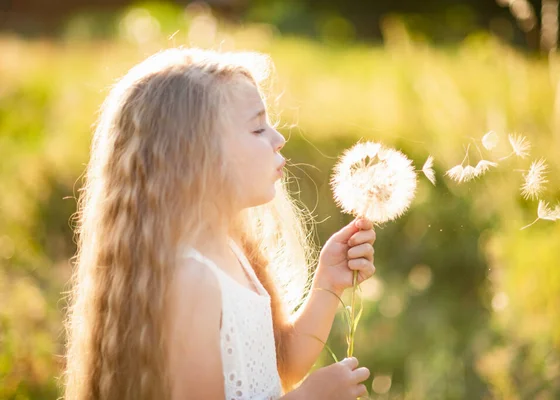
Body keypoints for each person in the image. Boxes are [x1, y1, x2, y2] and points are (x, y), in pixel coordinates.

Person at [63, 47, 377, 400]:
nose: (278, 139)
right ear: (198, 157)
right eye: (258, 128)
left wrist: (328, 282)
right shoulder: (190, 280)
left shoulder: (232, 247)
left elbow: (281, 364)